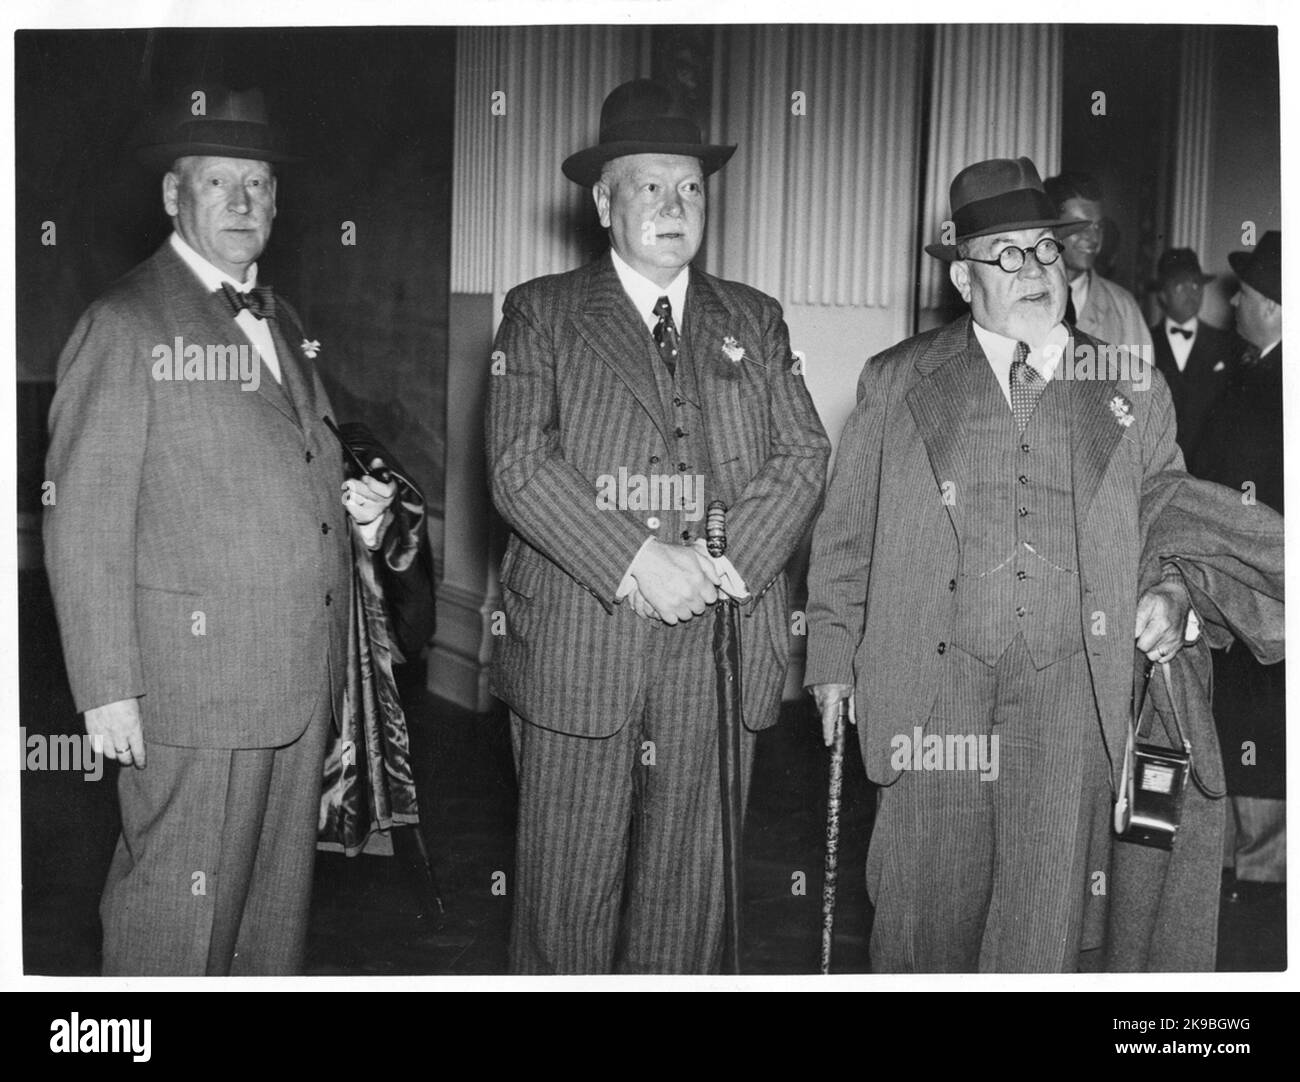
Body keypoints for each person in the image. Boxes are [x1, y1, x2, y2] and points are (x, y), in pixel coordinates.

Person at [805, 157, 1195, 972]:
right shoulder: (899, 378)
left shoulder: (1128, 381)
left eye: (1046, 250)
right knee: (923, 914)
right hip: (933, 679)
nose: (1035, 271)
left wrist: (1170, 587)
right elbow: (845, 537)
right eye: (1007, 254)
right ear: (961, 275)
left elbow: (1172, 513)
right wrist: (833, 660)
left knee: (1043, 916)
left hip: (1068, 685)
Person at [43, 86, 395, 975]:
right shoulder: (124, 325)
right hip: (189, 694)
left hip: (293, 683)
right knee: (174, 925)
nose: (244, 203)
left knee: (266, 934)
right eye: (219, 183)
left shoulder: (282, 319)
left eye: (260, 185)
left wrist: (358, 506)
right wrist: (106, 687)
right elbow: (81, 518)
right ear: (173, 196)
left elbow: (292, 464)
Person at [486, 79, 829, 973]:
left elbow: (803, 456)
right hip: (583, 648)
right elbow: (519, 469)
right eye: (650, 187)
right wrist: (640, 558)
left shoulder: (754, 319)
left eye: (691, 189)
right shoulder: (541, 313)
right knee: (566, 907)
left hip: (717, 652)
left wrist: (719, 563)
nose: (675, 207)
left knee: (689, 911)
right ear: (604, 202)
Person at [1190, 231, 1285, 906]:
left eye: (1248, 293)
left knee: (1263, 740)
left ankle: (1261, 888)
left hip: (1262, 594)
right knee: (1244, 731)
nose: (1236, 302)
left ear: (1277, 305)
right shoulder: (1254, 369)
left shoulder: (1276, 381)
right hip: (1241, 591)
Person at [1044, 171, 1153, 360]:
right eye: (1080, 227)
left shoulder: (1123, 308)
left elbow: (1142, 386)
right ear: (1050, 228)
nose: (1094, 239)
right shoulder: (1020, 296)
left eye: (1098, 227)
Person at [1149, 247, 1242, 460]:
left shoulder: (1227, 345)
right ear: (1163, 294)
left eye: (1196, 284)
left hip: (1211, 468)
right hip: (1159, 467)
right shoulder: (1144, 342)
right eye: (1180, 285)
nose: (1191, 292)